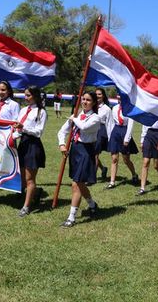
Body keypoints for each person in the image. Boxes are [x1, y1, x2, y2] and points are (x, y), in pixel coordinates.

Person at [57, 91, 101, 228]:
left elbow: (84, 127)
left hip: (86, 151)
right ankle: (92, 205)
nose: (84, 102)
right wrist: (62, 144)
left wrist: (74, 118)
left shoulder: (95, 118)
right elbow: (62, 131)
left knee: (76, 184)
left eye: (88, 100)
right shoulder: (77, 116)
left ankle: (71, 218)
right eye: (83, 99)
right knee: (80, 183)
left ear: (93, 103)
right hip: (75, 150)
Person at [13, 86, 47, 217]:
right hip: (23, 143)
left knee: (29, 178)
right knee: (21, 176)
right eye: (25, 95)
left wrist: (24, 128)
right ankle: (36, 193)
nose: (26, 98)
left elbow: (39, 132)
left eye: (28, 95)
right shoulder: (23, 110)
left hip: (33, 144)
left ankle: (26, 207)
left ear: (36, 96)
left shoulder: (41, 112)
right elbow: (17, 128)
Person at [105, 94, 140, 189]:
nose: (119, 99)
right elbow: (111, 122)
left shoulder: (129, 109)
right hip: (115, 132)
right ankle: (112, 182)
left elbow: (131, 124)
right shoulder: (114, 108)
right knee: (114, 159)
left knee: (126, 159)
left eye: (121, 97)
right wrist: (110, 136)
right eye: (118, 97)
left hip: (124, 131)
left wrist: (127, 138)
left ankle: (134, 174)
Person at [138, 116, 158, 196]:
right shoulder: (149, 111)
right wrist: (142, 140)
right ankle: (142, 188)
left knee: (156, 165)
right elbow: (145, 125)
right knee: (145, 162)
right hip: (148, 135)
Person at [94, 87, 111, 181]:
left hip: (101, 131)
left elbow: (109, 124)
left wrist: (109, 137)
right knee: (91, 153)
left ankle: (92, 177)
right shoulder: (91, 106)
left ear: (103, 96)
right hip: (91, 130)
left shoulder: (107, 109)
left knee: (95, 154)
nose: (97, 96)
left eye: (99, 94)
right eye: (96, 94)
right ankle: (103, 168)